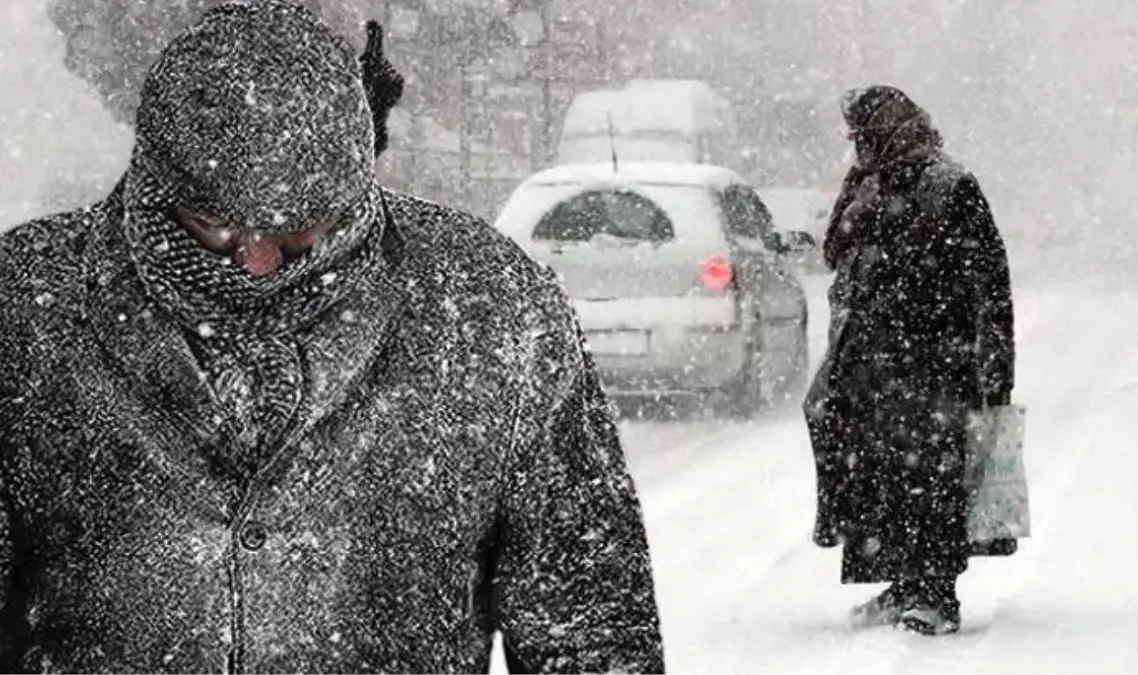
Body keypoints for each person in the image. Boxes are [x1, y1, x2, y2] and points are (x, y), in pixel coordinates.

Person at [0, 2, 664, 672]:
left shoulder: (488, 305)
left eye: (298, 230)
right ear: (153, 187)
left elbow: (591, 630)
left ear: (354, 186)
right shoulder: (25, 309)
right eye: (213, 225)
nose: (257, 259)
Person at [804, 85, 1016, 636]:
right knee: (876, 472)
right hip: (870, 359)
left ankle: (935, 592)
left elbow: (989, 283)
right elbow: (837, 253)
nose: (855, 148)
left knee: (929, 473)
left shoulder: (949, 185)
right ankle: (902, 578)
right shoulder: (870, 182)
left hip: (934, 359)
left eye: (861, 137)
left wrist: (994, 366)